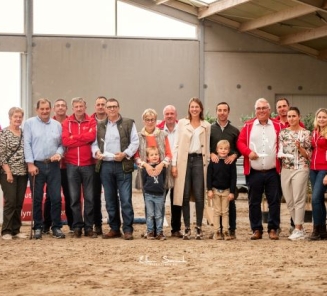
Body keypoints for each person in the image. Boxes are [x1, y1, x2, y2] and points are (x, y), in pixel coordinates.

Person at [92, 98, 139, 240]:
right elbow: (94, 143)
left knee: (125, 199)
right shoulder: (99, 126)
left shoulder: (128, 123)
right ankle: (114, 228)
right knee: (110, 199)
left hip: (123, 165)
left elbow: (135, 142)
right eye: (109, 107)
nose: (111, 109)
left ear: (119, 108)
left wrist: (125, 154)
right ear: (105, 109)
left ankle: (128, 229)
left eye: (114, 106)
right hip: (105, 165)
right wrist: (96, 153)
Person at [237, 98, 282, 240]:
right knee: (254, 201)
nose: (261, 111)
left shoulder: (278, 126)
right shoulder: (248, 126)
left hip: (272, 171)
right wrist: (248, 152)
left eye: (264, 108)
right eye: (259, 108)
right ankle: (256, 229)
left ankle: (273, 229)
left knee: (274, 201)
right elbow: (240, 142)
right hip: (254, 171)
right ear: (255, 110)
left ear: (269, 110)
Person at [24, 98, 65, 239]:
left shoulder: (57, 125)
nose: (45, 111)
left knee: (55, 198)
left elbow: (62, 144)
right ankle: (38, 227)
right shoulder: (29, 124)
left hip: (53, 165)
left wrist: (59, 154)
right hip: (37, 165)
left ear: (51, 109)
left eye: (47, 108)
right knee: (37, 198)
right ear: (37, 110)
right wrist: (30, 164)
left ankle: (56, 227)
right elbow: (27, 144)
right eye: (42, 109)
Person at [172, 97, 211, 240]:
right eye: (192, 107)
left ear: (200, 109)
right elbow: (176, 144)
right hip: (185, 161)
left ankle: (199, 227)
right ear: (189, 108)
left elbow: (207, 146)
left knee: (200, 195)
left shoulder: (206, 125)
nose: (194, 109)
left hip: (199, 160)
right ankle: (187, 227)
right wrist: (174, 164)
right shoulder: (182, 123)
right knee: (185, 194)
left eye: (197, 107)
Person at [62, 97, 97, 238]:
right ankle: (77, 226)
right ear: (73, 108)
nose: (79, 109)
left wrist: (74, 138)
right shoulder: (66, 122)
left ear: (85, 107)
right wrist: (83, 138)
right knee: (74, 198)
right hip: (71, 165)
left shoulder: (92, 121)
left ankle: (89, 227)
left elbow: (92, 136)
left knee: (89, 198)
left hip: (88, 164)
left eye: (81, 106)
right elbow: (65, 141)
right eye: (76, 106)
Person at [135, 108, 172, 238]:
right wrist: (146, 165)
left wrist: (161, 165)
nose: (150, 122)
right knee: (148, 203)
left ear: (156, 120)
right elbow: (136, 155)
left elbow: (168, 154)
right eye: (147, 119)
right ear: (143, 121)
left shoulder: (163, 135)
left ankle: (159, 230)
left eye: (152, 119)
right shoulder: (139, 136)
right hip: (146, 174)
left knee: (160, 204)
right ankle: (150, 230)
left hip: (162, 174)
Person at [278, 107, 311, 240]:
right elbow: (280, 150)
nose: (291, 119)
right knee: (289, 201)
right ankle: (300, 229)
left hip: (301, 168)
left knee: (298, 199)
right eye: (289, 116)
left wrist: (300, 147)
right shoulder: (282, 133)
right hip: (286, 168)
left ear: (299, 117)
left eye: (293, 116)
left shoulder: (306, 133)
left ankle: (297, 228)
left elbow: (308, 155)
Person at [209, 102, 240, 239]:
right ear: (216, 112)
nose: (222, 112)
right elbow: (206, 146)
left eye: (225, 110)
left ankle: (230, 229)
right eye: (219, 110)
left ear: (228, 112)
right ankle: (217, 230)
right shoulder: (210, 129)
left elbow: (239, 148)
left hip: (228, 169)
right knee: (216, 207)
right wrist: (211, 154)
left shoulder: (234, 130)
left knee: (229, 205)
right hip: (215, 168)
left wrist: (234, 155)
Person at [43, 98, 73, 234]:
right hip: (53, 167)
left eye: (63, 105)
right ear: (54, 109)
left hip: (68, 166)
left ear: (66, 108)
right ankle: (46, 225)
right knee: (50, 196)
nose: (60, 108)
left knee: (70, 196)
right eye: (58, 105)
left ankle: (73, 225)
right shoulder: (49, 123)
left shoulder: (71, 122)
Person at [0, 107, 28, 240]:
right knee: (10, 201)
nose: (18, 119)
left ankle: (16, 230)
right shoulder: (4, 133)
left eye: (20, 117)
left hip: (23, 172)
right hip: (8, 173)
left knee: (18, 202)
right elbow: (2, 155)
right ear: (10, 118)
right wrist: (8, 172)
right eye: (15, 116)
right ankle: (6, 230)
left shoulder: (24, 133)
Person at [157, 105, 182, 237]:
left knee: (176, 199)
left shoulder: (182, 129)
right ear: (164, 115)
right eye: (167, 114)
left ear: (176, 115)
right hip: (163, 167)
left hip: (178, 167)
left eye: (172, 113)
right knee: (160, 198)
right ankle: (158, 228)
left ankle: (176, 229)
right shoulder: (158, 129)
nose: (170, 116)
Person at [207, 140, 236, 241]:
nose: (223, 151)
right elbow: (209, 176)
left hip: (226, 191)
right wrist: (209, 189)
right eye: (221, 149)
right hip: (215, 190)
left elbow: (233, 178)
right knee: (217, 211)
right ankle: (217, 231)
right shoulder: (213, 162)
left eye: (225, 149)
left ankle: (225, 231)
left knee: (225, 212)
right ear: (216, 150)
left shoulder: (230, 163)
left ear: (229, 150)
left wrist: (232, 192)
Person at [309, 108, 327, 240]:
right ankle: (322, 230)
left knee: (315, 199)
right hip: (313, 169)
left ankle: (316, 227)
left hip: (324, 169)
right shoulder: (314, 132)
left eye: (324, 117)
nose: (321, 119)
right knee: (318, 199)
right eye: (319, 117)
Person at [90, 96, 108, 235]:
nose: (101, 106)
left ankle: (114, 225)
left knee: (111, 196)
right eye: (98, 104)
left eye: (103, 104)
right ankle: (97, 224)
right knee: (94, 196)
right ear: (95, 106)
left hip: (110, 163)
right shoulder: (89, 121)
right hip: (93, 164)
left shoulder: (114, 121)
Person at [142, 146, 167, 240]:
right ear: (148, 157)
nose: (154, 156)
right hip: (149, 194)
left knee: (159, 215)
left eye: (156, 154)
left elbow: (163, 179)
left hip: (159, 195)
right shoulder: (145, 169)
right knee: (150, 214)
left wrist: (161, 188)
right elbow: (144, 180)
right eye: (152, 155)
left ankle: (160, 232)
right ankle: (150, 232)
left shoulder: (162, 168)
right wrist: (147, 189)